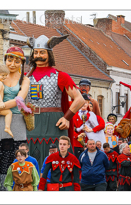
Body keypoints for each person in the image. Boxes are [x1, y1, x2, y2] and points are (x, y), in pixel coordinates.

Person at [26, 34, 85, 168]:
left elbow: (79, 99)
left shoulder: (61, 76)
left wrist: (67, 118)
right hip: (31, 122)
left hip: (54, 121)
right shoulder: (25, 78)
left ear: (49, 54)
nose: (38, 55)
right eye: (35, 52)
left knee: (57, 160)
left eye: (42, 52)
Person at [0, 47, 30, 191]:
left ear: (22, 62)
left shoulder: (24, 79)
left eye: (16, 61)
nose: (12, 64)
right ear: (5, 60)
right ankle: (0, 187)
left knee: (16, 156)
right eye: (10, 60)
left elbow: (19, 100)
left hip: (16, 121)